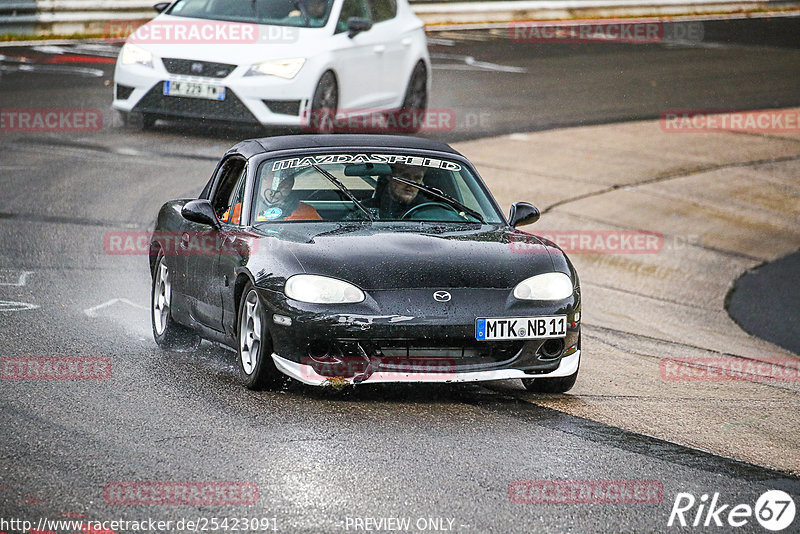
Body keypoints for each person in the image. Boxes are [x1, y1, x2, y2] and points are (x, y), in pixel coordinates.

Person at [361, 163, 426, 220]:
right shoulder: (366, 209)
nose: (412, 184)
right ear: (390, 176)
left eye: (417, 178)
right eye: (405, 177)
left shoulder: (430, 211)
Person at [256, 173, 322, 222]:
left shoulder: (307, 212)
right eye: (279, 175)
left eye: (290, 176)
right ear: (263, 177)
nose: (286, 180)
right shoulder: (248, 209)